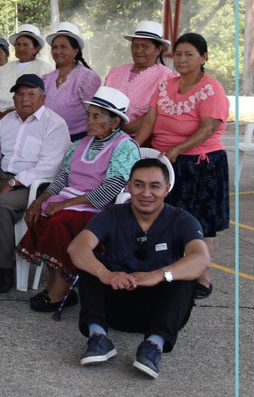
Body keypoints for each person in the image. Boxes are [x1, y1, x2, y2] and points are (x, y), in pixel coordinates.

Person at [68, 157, 209, 379]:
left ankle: (153, 346)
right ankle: (98, 338)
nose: (146, 193)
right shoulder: (112, 214)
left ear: (167, 189)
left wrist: (160, 275)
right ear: (129, 186)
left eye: (155, 186)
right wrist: (105, 274)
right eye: (139, 184)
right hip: (114, 304)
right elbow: (77, 247)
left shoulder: (181, 219)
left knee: (183, 275)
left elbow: (201, 259)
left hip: (157, 311)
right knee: (90, 261)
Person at [17, 87, 140, 311]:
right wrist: (41, 199)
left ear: (114, 122)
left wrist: (64, 204)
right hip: (73, 204)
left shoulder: (124, 147)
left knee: (59, 221)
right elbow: (62, 178)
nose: (89, 121)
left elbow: (110, 190)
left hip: (102, 209)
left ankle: (58, 291)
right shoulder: (81, 144)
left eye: (96, 116)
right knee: (41, 216)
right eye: (88, 115)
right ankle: (59, 283)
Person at [132, 32, 229, 297]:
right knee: (166, 219)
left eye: (190, 54)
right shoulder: (165, 85)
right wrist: (132, 149)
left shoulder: (211, 87)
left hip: (201, 164)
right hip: (166, 163)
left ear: (203, 58)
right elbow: (149, 121)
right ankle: (169, 270)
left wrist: (178, 149)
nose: (182, 60)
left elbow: (209, 127)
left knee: (200, 223)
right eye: (178, 54)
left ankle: (201, 277)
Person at [0, 73, 72, 292]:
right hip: (1, 175)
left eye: (31, 94)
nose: (24, 98)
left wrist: (16, 181)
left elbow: (50, 166)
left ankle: (2, 272)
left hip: (37, 185)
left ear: (43, 98)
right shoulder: (7, 120)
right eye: (19, 94)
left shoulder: (55, 124)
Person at [103, 20, 174, 133]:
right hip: (106, 134)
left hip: (142, 139)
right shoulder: (116, 73)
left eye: (145, 46)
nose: (139, 50)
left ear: (158, 50)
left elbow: (158, 114)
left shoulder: (167, 77)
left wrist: (124, 131)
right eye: (135, 46)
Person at [42, 22, 101, 141]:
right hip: (49, 138)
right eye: (55, 47)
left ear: (75, 51)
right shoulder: (46, 79)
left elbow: (95, 114)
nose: (58, 51)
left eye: (63, 47)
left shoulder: (87, 77)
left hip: (79, 139)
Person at [0, 23, 53, 122]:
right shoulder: (4, 68)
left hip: (30, 119)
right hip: (0, 120)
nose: (20, 48)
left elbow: (45, 100)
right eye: (18, 45)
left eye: (25, 45)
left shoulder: (46, 69)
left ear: (36, 49)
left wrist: (14, 113)